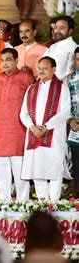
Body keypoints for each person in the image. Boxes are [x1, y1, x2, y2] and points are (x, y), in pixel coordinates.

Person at [20, 56, 71, 201]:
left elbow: (65, 112)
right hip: (33, 134)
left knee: (54, 170)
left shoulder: (62, 88)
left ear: (54, 69)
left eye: (45, 68)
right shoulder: (31, 88)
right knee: (37, 170)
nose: (41, 71)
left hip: (54, 135)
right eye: (39, 68)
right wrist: (32, 127)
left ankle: (54, 204)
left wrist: (45, 127)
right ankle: (42, 203)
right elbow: (23, 112)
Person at [0, 48, 34, 202]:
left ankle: (23, 205)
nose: (4, 63)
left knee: (21, 176)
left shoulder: (26, 77)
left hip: (18, 131)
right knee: (1, 176)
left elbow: (32, 104)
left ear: (16, 60)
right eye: (2, 60)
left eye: (8, 59)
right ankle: (4, 207)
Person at [43, 15, 77, 80]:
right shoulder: (52, 47)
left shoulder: (74, 48)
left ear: (70, 31)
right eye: (56, 27)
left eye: (62, 28)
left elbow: (71, 75)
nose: (57, 31)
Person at [66, 47, 79, 197]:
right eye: (77, 59)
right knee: (76, 161)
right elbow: (64, 104)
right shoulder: (68, 79)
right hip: (75, 127)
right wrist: (70, 120)